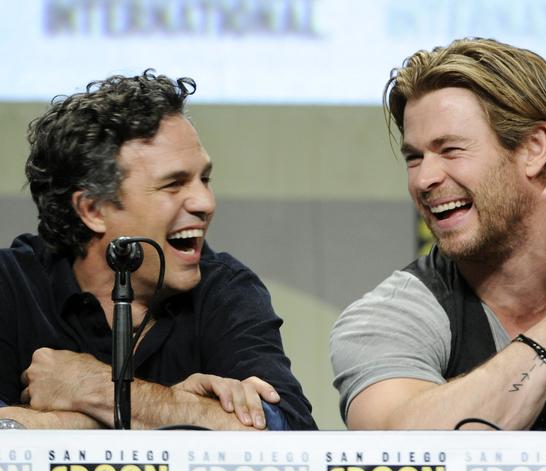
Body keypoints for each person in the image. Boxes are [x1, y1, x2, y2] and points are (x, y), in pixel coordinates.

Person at [330, 38, 546, 431]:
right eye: (414, 157)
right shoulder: (387, 318)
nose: (424, 179)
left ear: (533, 148)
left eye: (450, 150)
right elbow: (403, 453)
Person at [0, 70, 316, 430]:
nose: (205, 202)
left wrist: (96, 390)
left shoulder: (226, 289)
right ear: (92, 209)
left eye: (205, 179)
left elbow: (289, 434)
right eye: (173, 184)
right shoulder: (12, 286)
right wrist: (184, 414)